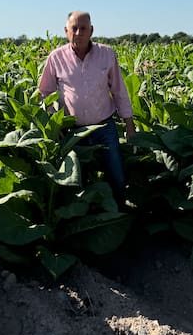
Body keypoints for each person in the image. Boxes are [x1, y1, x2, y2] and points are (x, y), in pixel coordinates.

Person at [38, 11, 135, 200]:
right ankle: (85, 216)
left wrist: (130, 126)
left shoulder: (106, 54)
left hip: (104, 128)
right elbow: (45, 93)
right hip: (73, 132)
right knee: (76, 181)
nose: (78, 33)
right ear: (66, 31)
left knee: (116, 174)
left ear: (91, 31)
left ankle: (121, 210)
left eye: (83, 28)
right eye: (74, 28)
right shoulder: (56, 58)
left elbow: (119, 91)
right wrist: (54, 124)